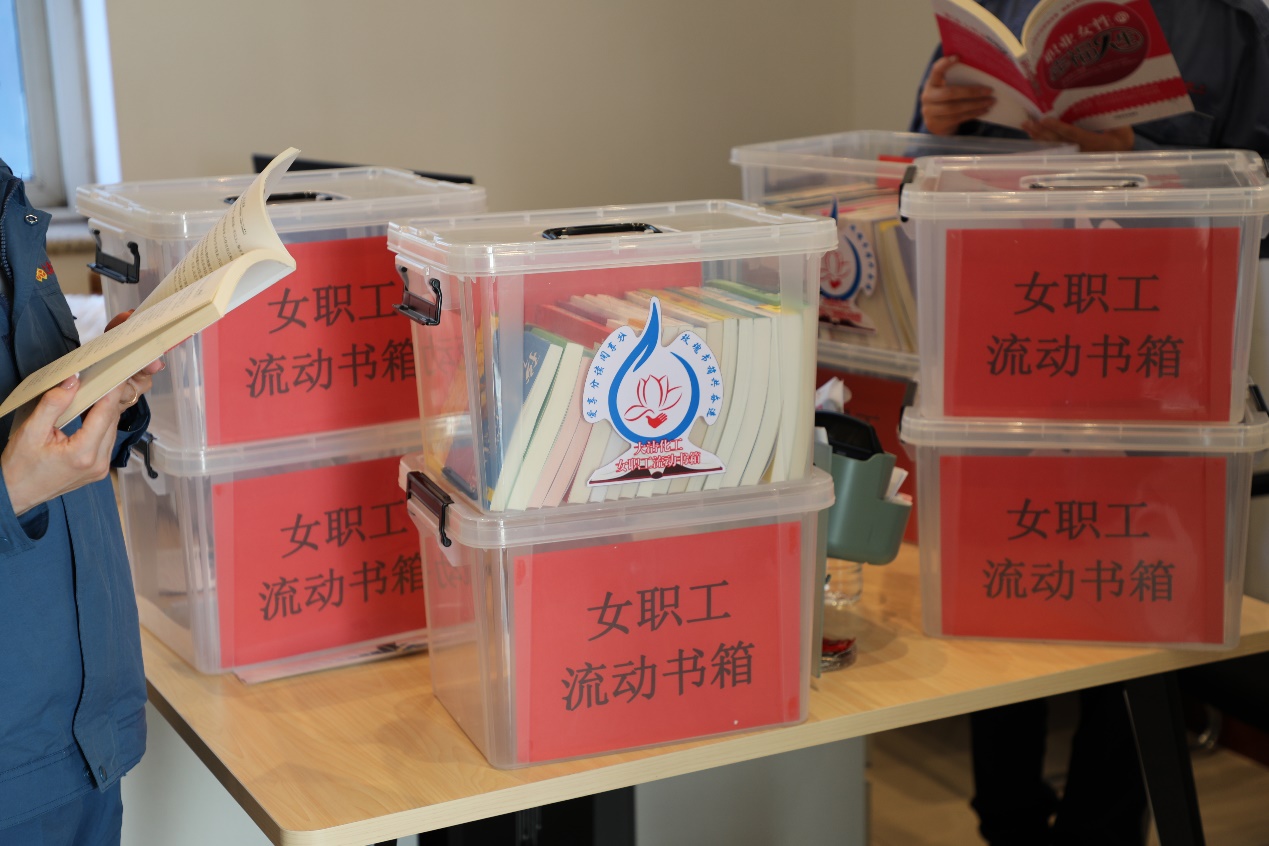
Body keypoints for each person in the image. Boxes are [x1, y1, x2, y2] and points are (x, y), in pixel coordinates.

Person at [909, 3, 1269, 844]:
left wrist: (1139, 159)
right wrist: (933, 127)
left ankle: (1102, 827)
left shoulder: (1233, 27)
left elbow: (1259, 202)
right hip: (1008, 337)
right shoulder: (999, 15)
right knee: (1000, 574)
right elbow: (917, 189)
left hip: (1157, 346)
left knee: (1143, 597)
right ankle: (1005, 819)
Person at [0, 157, 163, 845]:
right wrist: (12, 492)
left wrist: (105, 396)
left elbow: (27, 421)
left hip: (81, 744)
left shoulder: (4, 196)